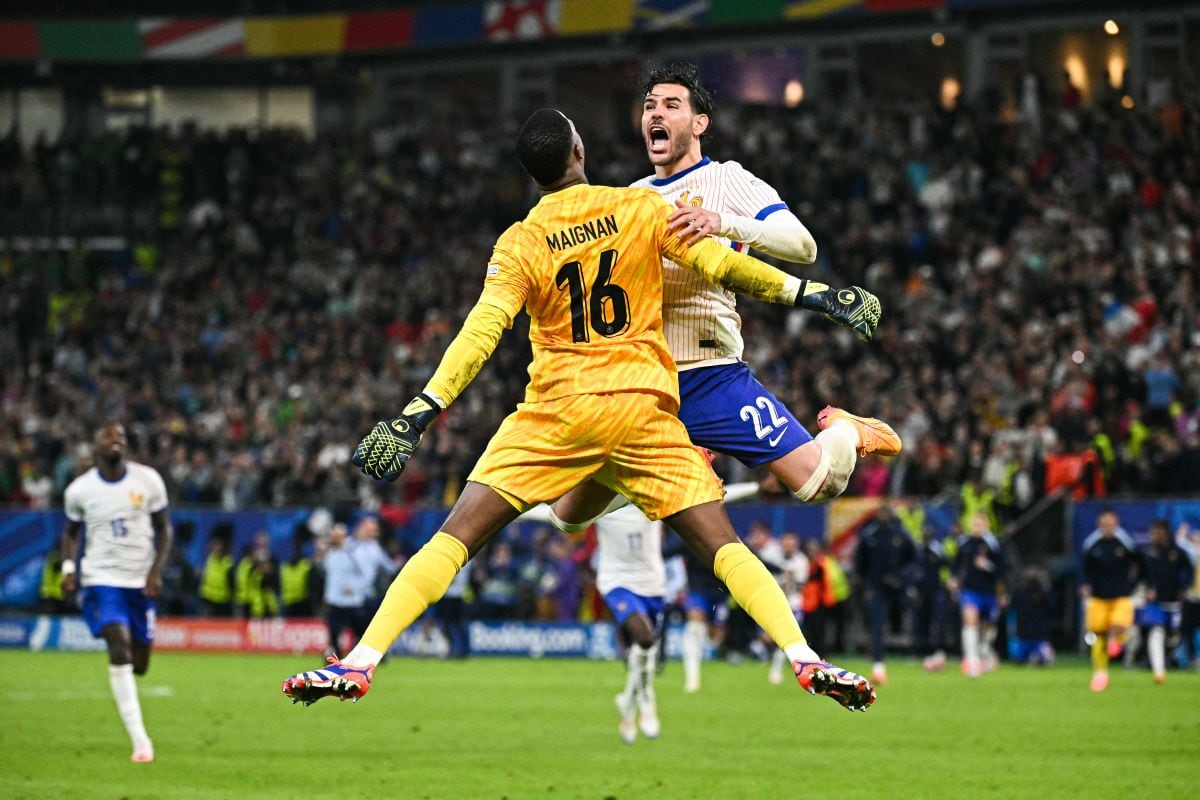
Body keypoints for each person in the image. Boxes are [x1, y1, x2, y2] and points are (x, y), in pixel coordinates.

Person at [281, 108, 879, 712]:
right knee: (722, 548)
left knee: (455, 539)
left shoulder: (520, 242)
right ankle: (803, 656)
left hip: (558, 415)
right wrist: (818, 295)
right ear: (580, 150)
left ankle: (360, 662)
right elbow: (722, 264)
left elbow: (481, 332)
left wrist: (417, 413)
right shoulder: (636, 207)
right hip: (642, 408)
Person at [545, 62, 901, 540]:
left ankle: (846, 431)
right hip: (645, 384)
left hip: (712, 374)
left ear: (699, 124)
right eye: (650, 105)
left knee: (819, 482)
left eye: (672, 105)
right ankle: (680, 458)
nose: (657, 113)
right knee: (568, 517)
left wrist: (725, 223)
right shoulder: (630, 198)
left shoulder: (726, 180)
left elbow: (803, 246)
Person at [60, 423, 172, 763]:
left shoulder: (148, 481)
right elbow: (70, 533)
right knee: (118, 643)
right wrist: (69, 570)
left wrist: (155, 571)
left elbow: (164, 529)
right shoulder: (80, 490)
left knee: (139, 664)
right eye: (108, 435)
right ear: (95, 447)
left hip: (139, 582)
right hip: (101, 579)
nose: (116, 440)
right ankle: (141, 742)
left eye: (122, 436)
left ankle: (128, 679)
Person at [1079, 507, 1141, 692]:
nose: (1107, 526)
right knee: (1097, 635)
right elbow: (1083, 568)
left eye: (1110, 522)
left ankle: (1118, 641)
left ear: (1116, 522)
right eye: (1104, 522)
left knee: (1120, 626)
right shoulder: (1091, 543)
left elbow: (1141, 562)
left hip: (1121, 595)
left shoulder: (1125, 542)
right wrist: (1084, 584)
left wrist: (1135, 584)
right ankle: (1100, 673)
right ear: (1099, 523)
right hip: (1098, 597)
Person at [854, 504, 916, 686]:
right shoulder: (869, 536)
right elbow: (860, 565)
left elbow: (913, 559)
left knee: (900, 621)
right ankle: (878, 666)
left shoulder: (901, 535)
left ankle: (920, 651)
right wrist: (865, 586)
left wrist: (901, 578)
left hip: (898, 588)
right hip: (876, 588)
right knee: (877, 625)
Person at [951, 511, 1008, 678]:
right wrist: (954, 579)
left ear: (987, 525)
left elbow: (1003, 569)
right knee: (970, 620)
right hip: (970, 590)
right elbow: (956, 564)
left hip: (989, 592)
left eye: (980, 524)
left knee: (988, 629)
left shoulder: (994, 544)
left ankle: (984, 651)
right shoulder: (964, 542)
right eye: (975, 524)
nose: (977, 527)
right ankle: (972, 662)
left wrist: (988, 565)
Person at [1139, 519, 1193, 683]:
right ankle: (1159, 671)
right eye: (1153, 532)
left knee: (1173, 636)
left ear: (1165, 533)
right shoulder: (1148, 552)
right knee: (1156, 632)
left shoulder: (1177, 552)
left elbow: (1188, 571)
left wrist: (1184, 588)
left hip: (1174, 600)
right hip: (1156, 602)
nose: (1154, 535)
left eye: (1157, 532)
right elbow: (1141, 573)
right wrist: (1148, 587)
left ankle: (1170, 660)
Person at [322, 523, 371, 656]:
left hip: (351, 601)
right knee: (334, 634)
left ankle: (369, 656)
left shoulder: (352, 552)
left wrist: (356, 588)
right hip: (335, 601)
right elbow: (331, 578)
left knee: (361, 632)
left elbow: (366, 573)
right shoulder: (330, 553)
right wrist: (327, 596)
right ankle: (335, 659)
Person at [1008, 567, 1056, 666]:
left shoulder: (1044, 595)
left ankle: (1037, 656)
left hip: (1038, 638)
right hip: (1023, 638)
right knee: (1018, 659)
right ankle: (1033, 657)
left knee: (1044, 659)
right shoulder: (1019, 594)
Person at [198, 536, 234, 616]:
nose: (215, 550)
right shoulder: (210, 559)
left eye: (218, 547)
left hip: (222, 599)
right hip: (208, 597)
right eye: (213, 547)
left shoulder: (228, 563)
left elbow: (232, 582)